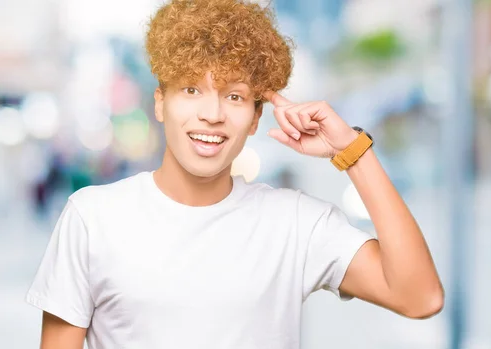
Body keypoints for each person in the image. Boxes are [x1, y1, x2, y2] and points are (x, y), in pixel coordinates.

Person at [26, 0, 444, 348]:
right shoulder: (93, 218)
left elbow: (420, 296)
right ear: (160, 103)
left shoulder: (295, 224)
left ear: (256, 118)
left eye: (234, 95)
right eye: (191, 89)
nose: (212, 114)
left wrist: (353, 152)